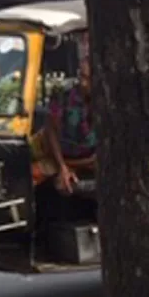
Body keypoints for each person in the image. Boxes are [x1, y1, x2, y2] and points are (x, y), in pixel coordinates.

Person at [44, 50, 96, 195]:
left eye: (89, 79)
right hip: (63, 160)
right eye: (83, 77)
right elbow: (51, 130)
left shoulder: (108, 102)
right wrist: (63, 167)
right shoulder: (63, 98)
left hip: (95, 161)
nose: (84, 84)